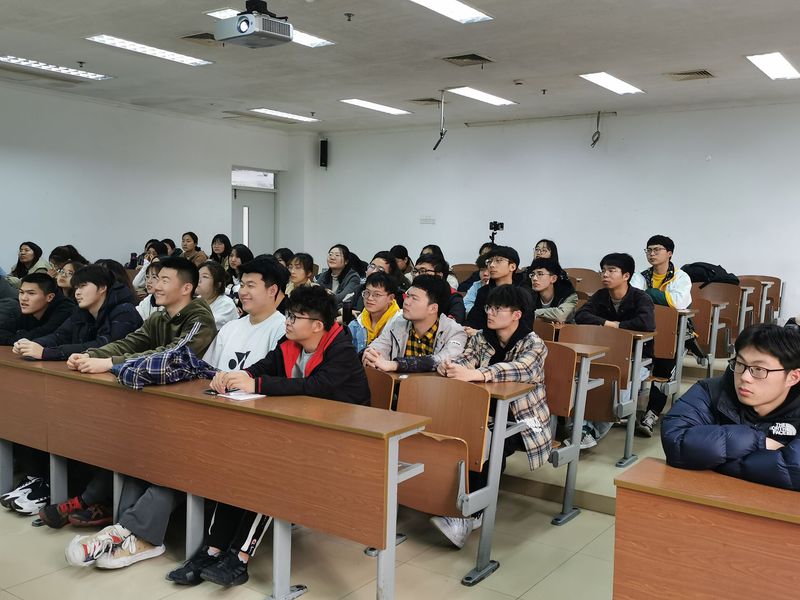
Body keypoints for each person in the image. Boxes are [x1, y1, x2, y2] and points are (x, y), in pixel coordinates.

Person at [168, 285, 368, 587]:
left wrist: (258, 385)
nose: (288, 321)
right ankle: (212, 549)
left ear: (317, 325)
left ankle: (239, 558)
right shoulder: (290, 342)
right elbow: (268, 364)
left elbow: (316, 386)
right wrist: (242, 375)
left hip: (343, 440)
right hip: (302, 431)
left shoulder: (342, 349)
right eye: (288, 315)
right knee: (241, 464)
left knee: (270, 473)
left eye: (295, 317)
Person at [64, 257, 217, 570]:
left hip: (194, 414)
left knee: (167, 467)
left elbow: (173, 355)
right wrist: (90, 354)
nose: (155, 285)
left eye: (164, 280)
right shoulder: (159, 317)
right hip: (160, 407)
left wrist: (111, 364)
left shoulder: (199, 317)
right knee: (137, 459)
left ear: (186, 288)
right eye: (155, 278)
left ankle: (128, 535)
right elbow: (131, 342)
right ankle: (125, 532)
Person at [434, 285, 552, 547]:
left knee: (491, 444)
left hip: (527, 420)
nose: (490, 313)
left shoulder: (534, 344)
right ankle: (459, 506)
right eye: (489, 307)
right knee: (471, 437)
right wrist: (451, 367)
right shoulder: (481, 337)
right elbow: (467, 358)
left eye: (498, 309)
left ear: (517, 314)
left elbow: (520, 369)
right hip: (487, 414)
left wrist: (478, 374)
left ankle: (471, 514)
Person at [662, 324, 800, 491]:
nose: (745, 377)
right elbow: (675, 441)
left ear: (793, 377)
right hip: (708, 495)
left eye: (759, 369)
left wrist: (713, 460)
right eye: (740, 364)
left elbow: (795, 471)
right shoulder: (710, 391)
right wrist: (758, 442)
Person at [574, 252, 656, 449]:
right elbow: (581, 315)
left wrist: (616, 327)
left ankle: (590, 431)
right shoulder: (601, 296)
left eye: (611, 270)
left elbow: (646, 323)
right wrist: (608, 324)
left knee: (618, 390)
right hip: (604, 355)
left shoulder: (641, 298)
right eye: (603, 270)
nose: (605, 274)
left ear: (626, 275)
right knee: (581, 381)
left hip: (636, 358)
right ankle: (584, 429)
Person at [630, 235, 693, 437]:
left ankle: (652, 413)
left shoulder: (681, 277)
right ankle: (626, 410)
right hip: (645, 330)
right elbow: (633, 299)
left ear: (669, 253)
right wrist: (661, 298)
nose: (652, 254)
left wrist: (648, 293)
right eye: (649, 250)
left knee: (664, 368)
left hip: (673, 332)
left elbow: (679, 302)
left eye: (657, 250)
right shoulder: (640, 276)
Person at [13, 264, 142, 361]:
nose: (77, 293)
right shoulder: (81, 311)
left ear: (102, 287)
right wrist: (32, 344)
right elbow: (59, 336)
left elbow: (106, 346)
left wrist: (46, 352)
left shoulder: (124, 311)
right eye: (76, 288)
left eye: (82, 286)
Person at [363, 275, 466, 373]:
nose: (406, 302)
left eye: (414, 298)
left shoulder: (454, 332)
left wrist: (396, 365)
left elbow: (443, 359)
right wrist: (371, 354)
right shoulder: (398, 323)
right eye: (407, 296)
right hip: (399, 384)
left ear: (433, 308)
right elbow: (380, 345)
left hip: (435, 385)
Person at [465, 246, 534, 334]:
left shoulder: (522, 294)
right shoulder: (484, 292)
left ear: (512, 267)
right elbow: (473, 322)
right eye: (489, 261)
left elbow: (525, 327)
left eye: (498, 261)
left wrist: (481, 333)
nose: (492, 265)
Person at [0, 273, 76, 346]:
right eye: (21, 292)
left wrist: (18, 337)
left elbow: (44, 335)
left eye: (31, 293)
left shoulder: (65, 310)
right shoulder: (24, 308)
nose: (23, 298)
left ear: (50, 297)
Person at [348, 272, 401, 353]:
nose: (370, 298)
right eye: (367, 292)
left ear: (391, 298)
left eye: (377, 294)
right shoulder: (356, 324)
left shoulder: (399, 324)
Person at [413, 253, 466, 324]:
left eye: (422, 271)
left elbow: (453, 323)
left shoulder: (453, 297)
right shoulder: (411, 294)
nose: (416, 275)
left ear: (439, 275)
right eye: (415, 271)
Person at [528, 258, 578, 323]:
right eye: (532, 274)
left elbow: (560, 315)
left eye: (540, 274)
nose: (534, 278)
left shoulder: (569, 295)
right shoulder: (528, 294)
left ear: (553, 278)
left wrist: (535, 313)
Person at [316, 243, 361, 308]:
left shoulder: (353, 277)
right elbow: (313, 293)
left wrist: (322, 293)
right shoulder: (324, 275)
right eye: (330, 254)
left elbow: (341, 299)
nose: (332, 258)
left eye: (337, 255)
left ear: (346, 261)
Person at [197, 261, 239, 329]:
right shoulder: (197, 300)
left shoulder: (226, 305)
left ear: (218, 284)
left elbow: (204, 327)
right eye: (197, 276)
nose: (198, 280)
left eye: (205, 277)